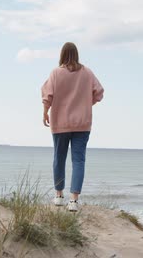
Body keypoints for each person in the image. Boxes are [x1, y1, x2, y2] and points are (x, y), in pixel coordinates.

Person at [41, 42, 104, 212]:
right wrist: (86, 103)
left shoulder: (56, 73)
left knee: (59, 158)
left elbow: (47, 95)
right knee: (79, 161)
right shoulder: (87, 73)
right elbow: (99, 92)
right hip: (82, 123)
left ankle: (59, 196)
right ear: (76, 54)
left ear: (62, 54)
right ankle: (74, 200)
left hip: (60, 122)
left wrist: (45, 112)